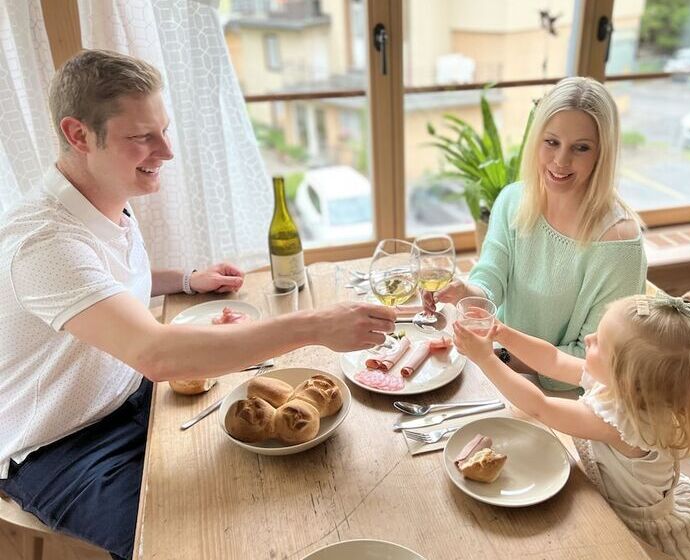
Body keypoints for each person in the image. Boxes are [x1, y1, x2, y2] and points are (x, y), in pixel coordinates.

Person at [0, 49, 395, 559]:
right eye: (143, 137)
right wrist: (315, 325)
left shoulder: (104, 193)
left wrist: (185, 278)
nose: (165, 151)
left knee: (295, 485)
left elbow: (105, 288)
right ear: (78, 135)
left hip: (134, 399)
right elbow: (157, 356)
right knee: (202, 548)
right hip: (64, 448)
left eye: (164, 130)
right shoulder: (45, 242)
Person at [453, 292, 690, 560]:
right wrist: (503, 332)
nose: (589, 338)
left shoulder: (623, 422)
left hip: (635, 527)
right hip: (604, 497)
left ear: (627, 379)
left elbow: (540, 407)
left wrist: (486, 359)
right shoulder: (619, 387)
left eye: (600, 343)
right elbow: (553, 358)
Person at [426, 76, 646, 391]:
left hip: (568, 400)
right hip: (499, 373)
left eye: (581, 148)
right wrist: (463, 292)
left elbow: (590, 364)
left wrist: (497, 356)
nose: (560, 160)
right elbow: (490, 284)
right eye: (552, 142)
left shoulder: (618, 242)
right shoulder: (513, 199)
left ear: (602, 153)